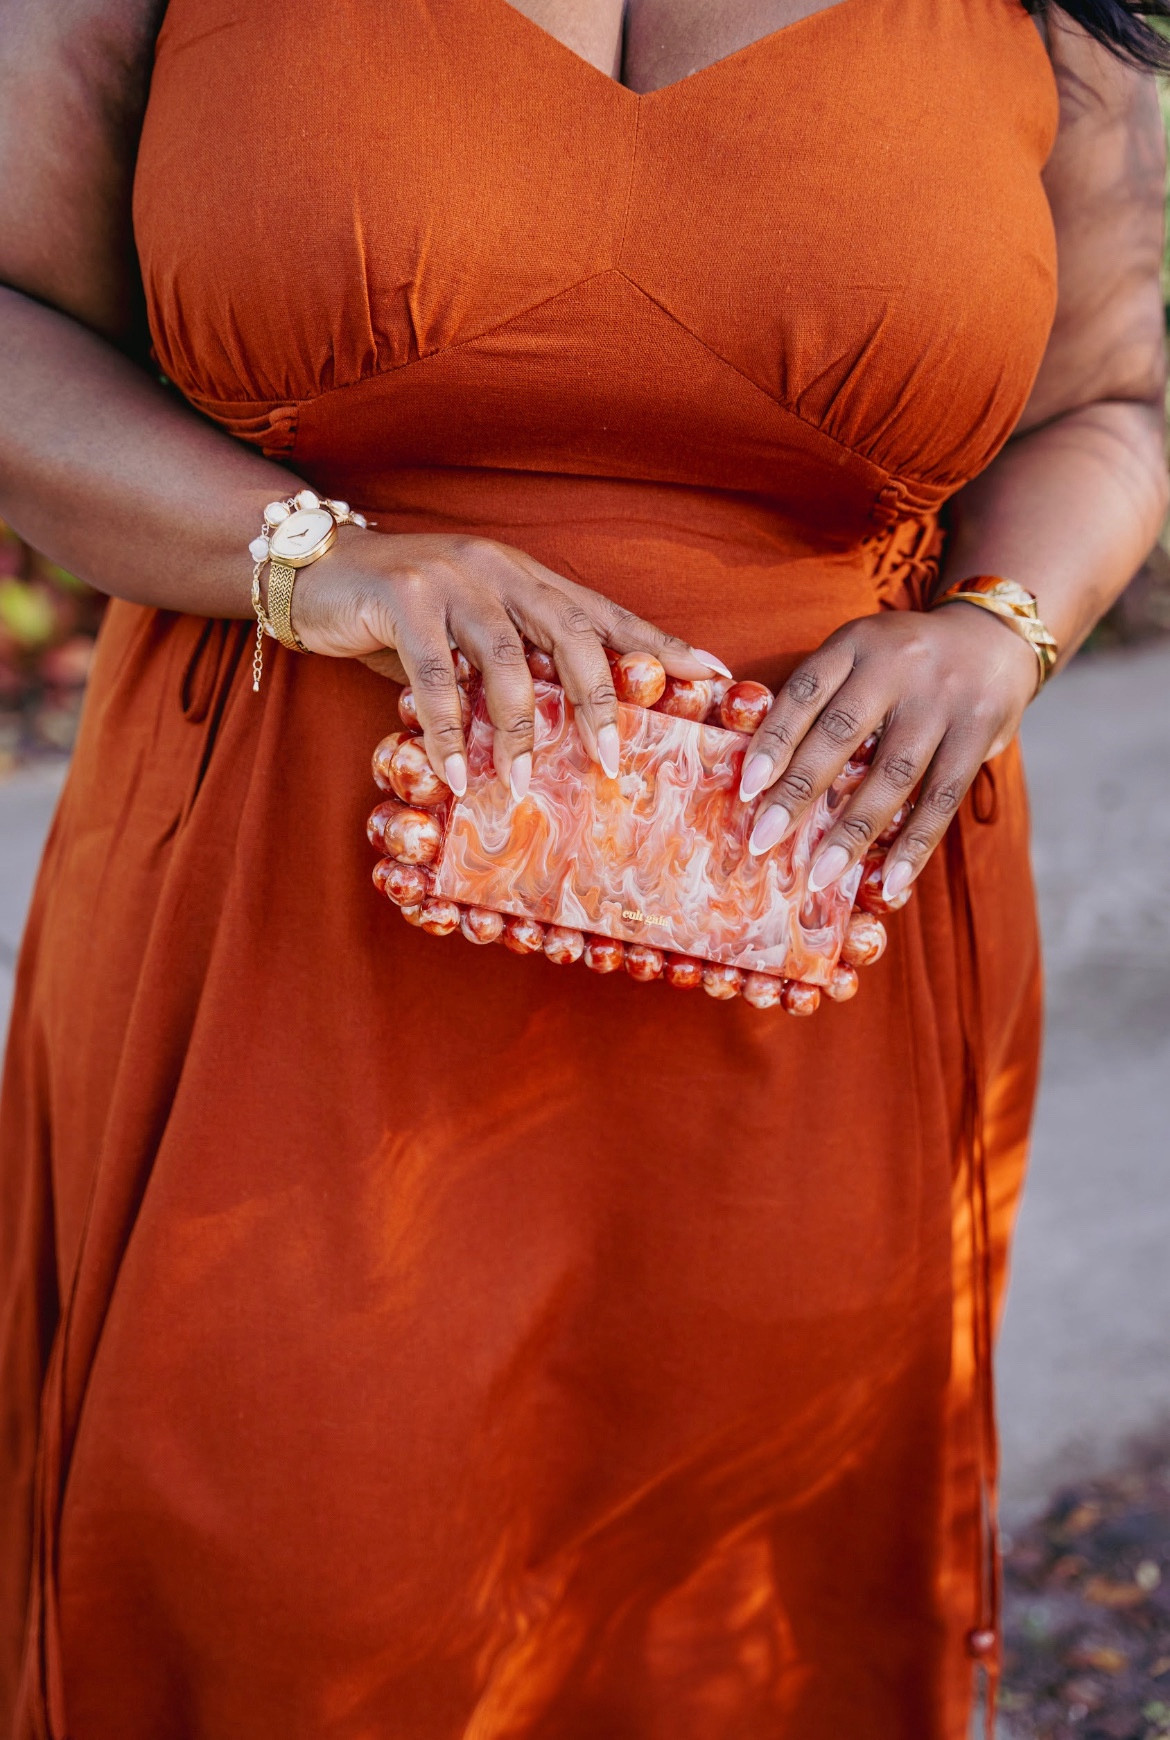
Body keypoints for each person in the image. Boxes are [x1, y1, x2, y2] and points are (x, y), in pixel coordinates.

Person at [0, 0, 1165, 1734]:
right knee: (258, 1566)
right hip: (283, 914)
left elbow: (1113, 406)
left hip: (806, 939)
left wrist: (1001, 631)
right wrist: (326, 565)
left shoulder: (1040, 25)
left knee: (737, 1609)